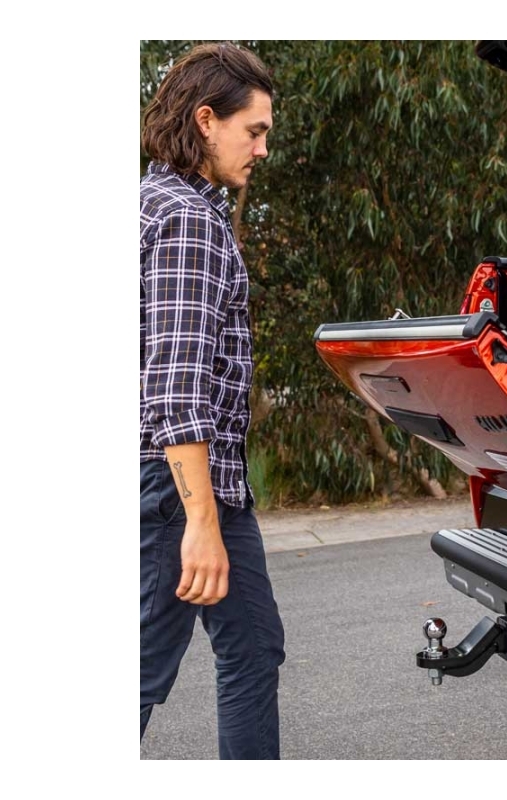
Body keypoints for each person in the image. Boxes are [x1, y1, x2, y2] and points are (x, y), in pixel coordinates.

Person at [140, 42, 286, 759]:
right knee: (140, 669)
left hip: (201, 483)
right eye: (253, 131)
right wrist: (200, 521)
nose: (262, 149)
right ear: (205, 120)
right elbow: (176, 383)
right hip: (179, 487)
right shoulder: (189, 221)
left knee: (253, 648)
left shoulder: (153, 202)